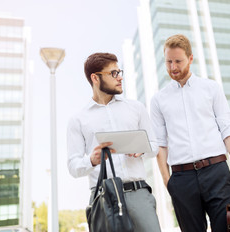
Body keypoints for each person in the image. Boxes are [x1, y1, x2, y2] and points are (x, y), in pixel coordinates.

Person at [150, 34, 230, 232]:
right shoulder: (159, 100)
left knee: (225, 229)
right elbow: (160, 143)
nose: (173, 67)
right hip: (181, 178)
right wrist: (167, 181)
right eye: (168, 62)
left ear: (190, 58)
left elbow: (228, 132)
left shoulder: (211, 88)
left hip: (216, 172)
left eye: (178, 61)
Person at [67, 52, 161, 232]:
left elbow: (154, 145)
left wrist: (141, 149)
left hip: (138, 194)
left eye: (119, 72)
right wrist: (92, 160)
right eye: (113, 73)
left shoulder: (136, 108)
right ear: (95, 78)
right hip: (104, 198)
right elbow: (73, 166)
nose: (120, 78)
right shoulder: (78, 120)